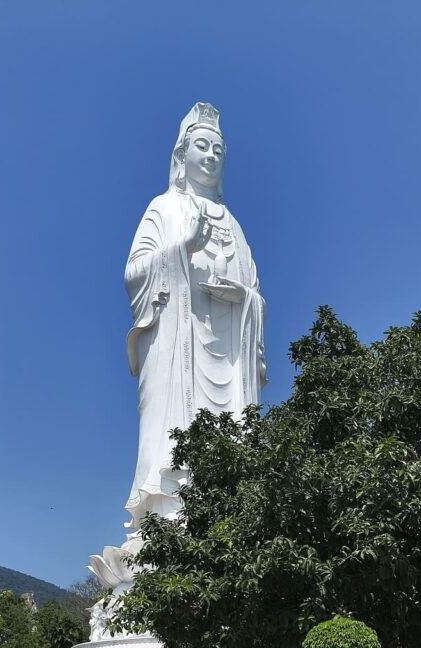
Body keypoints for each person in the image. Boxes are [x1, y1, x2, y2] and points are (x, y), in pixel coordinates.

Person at [123, 102, 267, 535]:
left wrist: (242, 296)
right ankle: (164, 517)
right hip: (175, 344)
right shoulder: (163, 208)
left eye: (218, 150)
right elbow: (133, 274)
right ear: (181, 156)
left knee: (235, 439)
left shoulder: (236, 227)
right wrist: (179, 248)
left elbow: (255, 293)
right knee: (170, 434)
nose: (210, 155)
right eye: (201, 146)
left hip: (229, 350)